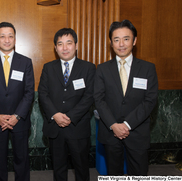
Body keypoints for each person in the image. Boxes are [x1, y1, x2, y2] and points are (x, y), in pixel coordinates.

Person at [94, 20, 158, 175]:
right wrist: (114, 125)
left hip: (137, 132)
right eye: (116, 40)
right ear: (111, 43)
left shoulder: (147, 68)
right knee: (113, 174)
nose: (121, 44)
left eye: (126, 39)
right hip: (111, 133)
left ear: (134, 41)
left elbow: (150, 101)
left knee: (139, 174)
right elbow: (98, 100)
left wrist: (127, 125)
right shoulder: (102, 69)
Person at [38, 28, 96, 181]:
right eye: (60, 44)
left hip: (78, 127)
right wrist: (55, 115)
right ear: (55, 48)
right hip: (55, 127)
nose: (64, 48)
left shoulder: (88, 68)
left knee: (82, 168)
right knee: (58, 168)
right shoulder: (48, 68)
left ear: (76, 45)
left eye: (68, 43)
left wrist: (70, 116)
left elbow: (89, 96)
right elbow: (43, 94)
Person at [0, 22, 34, 181]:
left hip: (20, 120)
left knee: (21, 159)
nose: (7, 40)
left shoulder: (25, 62)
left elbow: (29, 92)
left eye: (10, 36)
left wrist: (17, 116)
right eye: (2, 36)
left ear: (15, 39)